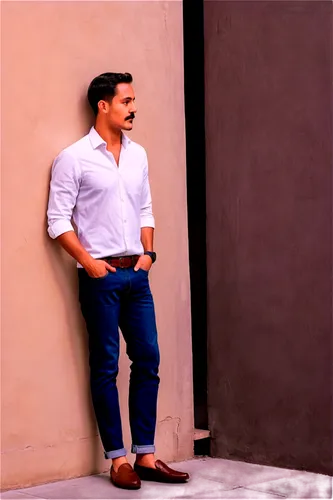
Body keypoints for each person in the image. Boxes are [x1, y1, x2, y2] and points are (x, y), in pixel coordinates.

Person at [47, 72, 190, 490]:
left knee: (148, 360)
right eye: (126, 101)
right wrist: (89, 263)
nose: (133, 108)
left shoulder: (138, 155)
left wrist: (148, 255)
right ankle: (118, 459)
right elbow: (57, 220)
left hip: (137, 275)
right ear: (103, 105)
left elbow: (145, 208)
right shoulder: (73, 158)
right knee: (106, 366)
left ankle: (145, 454)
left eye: (133, 100)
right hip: (101, 277)